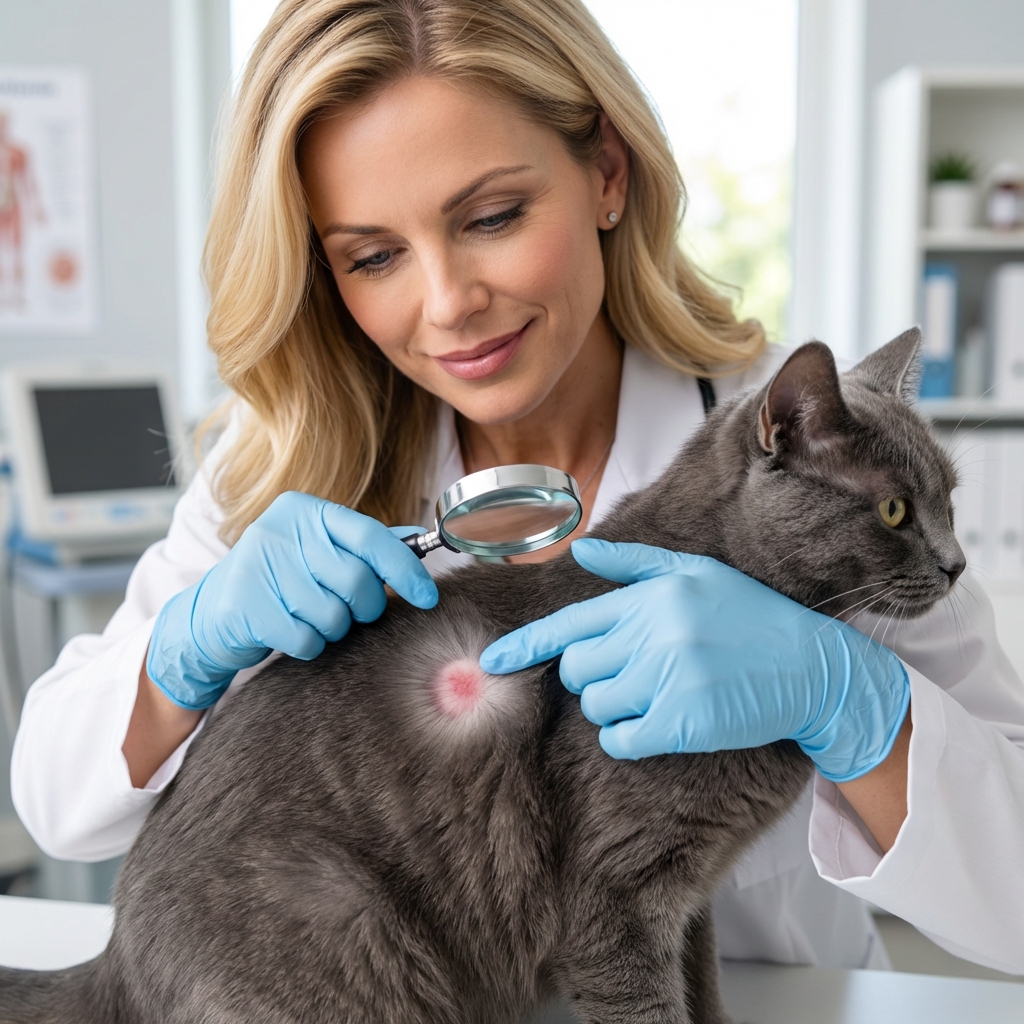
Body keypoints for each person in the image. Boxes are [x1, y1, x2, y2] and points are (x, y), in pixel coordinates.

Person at [11, 0, 1024, 977]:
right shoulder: (284, 460)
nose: (449, 303)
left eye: (491, 216)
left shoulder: (812, 460)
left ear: (606, 175)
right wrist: (185, 647)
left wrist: (849, 703)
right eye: (372, 256)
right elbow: (55, 796)